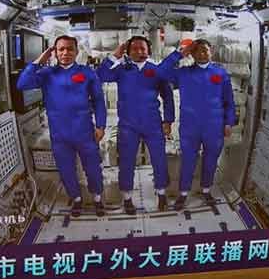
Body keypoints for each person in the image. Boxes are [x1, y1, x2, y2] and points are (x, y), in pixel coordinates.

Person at [17, 35, 107, 217]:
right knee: (66, 171)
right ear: (55, 52)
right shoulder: (46, 74)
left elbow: (98, 100)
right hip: (60, 135)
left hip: (85, 133)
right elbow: (22, 84)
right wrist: (40, 60)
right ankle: (77, 200)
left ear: (76, 51)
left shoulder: (87, 73)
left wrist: (101, 125)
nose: (65, 53)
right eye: (61, 49)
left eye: (69, 49)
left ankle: (97, 199)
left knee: (93, 169)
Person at [98, 36, 175, 213]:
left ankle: (161, 194)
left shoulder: (156, 71)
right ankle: (127, 198)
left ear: (149, 50)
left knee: (159, 160)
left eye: (143, 48)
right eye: (134, 49)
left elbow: (168, 96)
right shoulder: (121, 70)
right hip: (127, 125)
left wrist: (168, 121)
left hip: (153, 124)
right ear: (128, 52)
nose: (139, 52)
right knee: (126, 162)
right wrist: (114, 56)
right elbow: (100, 75)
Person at [160, 39, 236, 211]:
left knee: (211, 160)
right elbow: (161, 72)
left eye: (205, 50)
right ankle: (184, 193)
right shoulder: (183, 73)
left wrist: (229, 122)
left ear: (211, 52)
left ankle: (206, 190)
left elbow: (228, 100)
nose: (202, 53)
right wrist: (179, 54)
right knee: (188, 161)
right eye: (198, 50)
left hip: (214, 126)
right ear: (192, 54)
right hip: (190, 126)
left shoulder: (220, 73)